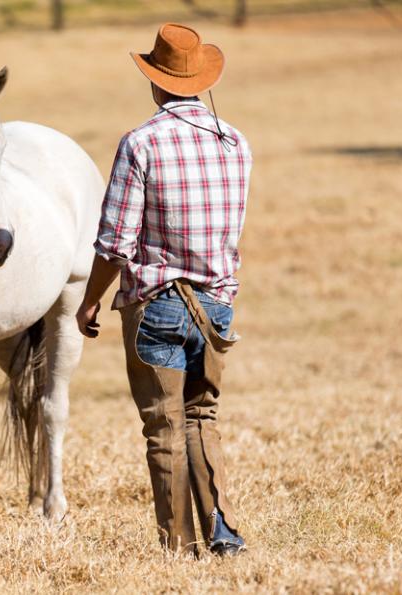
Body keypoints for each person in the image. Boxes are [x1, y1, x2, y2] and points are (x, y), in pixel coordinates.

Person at [76, 23, 252, 557]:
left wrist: (90, 299)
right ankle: (219, 528)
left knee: (164, 425)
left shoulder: (141, 143)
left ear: (155, 83)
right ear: (202, 81)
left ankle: (178, 545)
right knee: (202, 417)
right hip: (217, 306)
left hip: (157, 306)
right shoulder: (235, 142)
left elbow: (114, 243)